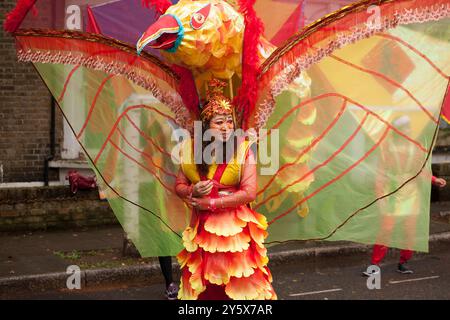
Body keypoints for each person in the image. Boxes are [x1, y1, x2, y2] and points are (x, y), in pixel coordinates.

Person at [173, 80, 277, 300]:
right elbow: (178, 186)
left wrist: (211, 203)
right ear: (205, 125)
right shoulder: (189, 148)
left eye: (229, 122)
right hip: (201, 228)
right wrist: (193, 190)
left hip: (235, 232)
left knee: (239, 284)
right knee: (205, 287)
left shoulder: (243, 148)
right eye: (218, 122)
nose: (226, 127)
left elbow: (249, 193)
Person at [363, 175, 446, 276]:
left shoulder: (414, 159)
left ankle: (403, 262)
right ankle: (374, 265)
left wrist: (434, 179)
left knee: (409, 234)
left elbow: (420, 170)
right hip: (392, 200)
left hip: (411, 200)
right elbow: (381, 176)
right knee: (385, 233)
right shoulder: (390, 160)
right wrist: (380, 197)